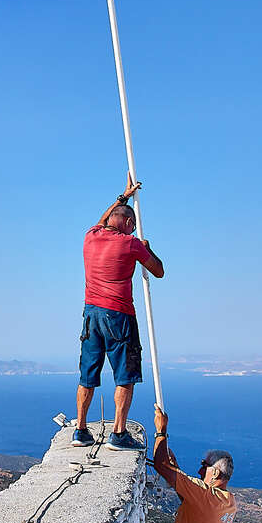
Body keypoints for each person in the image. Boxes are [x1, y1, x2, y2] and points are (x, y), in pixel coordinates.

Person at [72, 178, 164, 451]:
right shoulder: (130, 243)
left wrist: (123, 197)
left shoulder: (91, 236)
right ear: (126, 224)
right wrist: (147, 248)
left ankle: (80, 429)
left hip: (91, 315)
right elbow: (158, 270)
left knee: (87, 375)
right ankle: (119, 433)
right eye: (132, 225)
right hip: (119, 315)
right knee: (125, 375)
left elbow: (105, 218)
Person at [152, 405, 238, 523]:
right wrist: (176, 470)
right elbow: (192, 501)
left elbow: (160, 465)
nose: (199, 471)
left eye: (204, 466)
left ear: (214, 473)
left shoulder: (206, 495)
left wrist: (161, 431)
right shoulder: (229, 502)